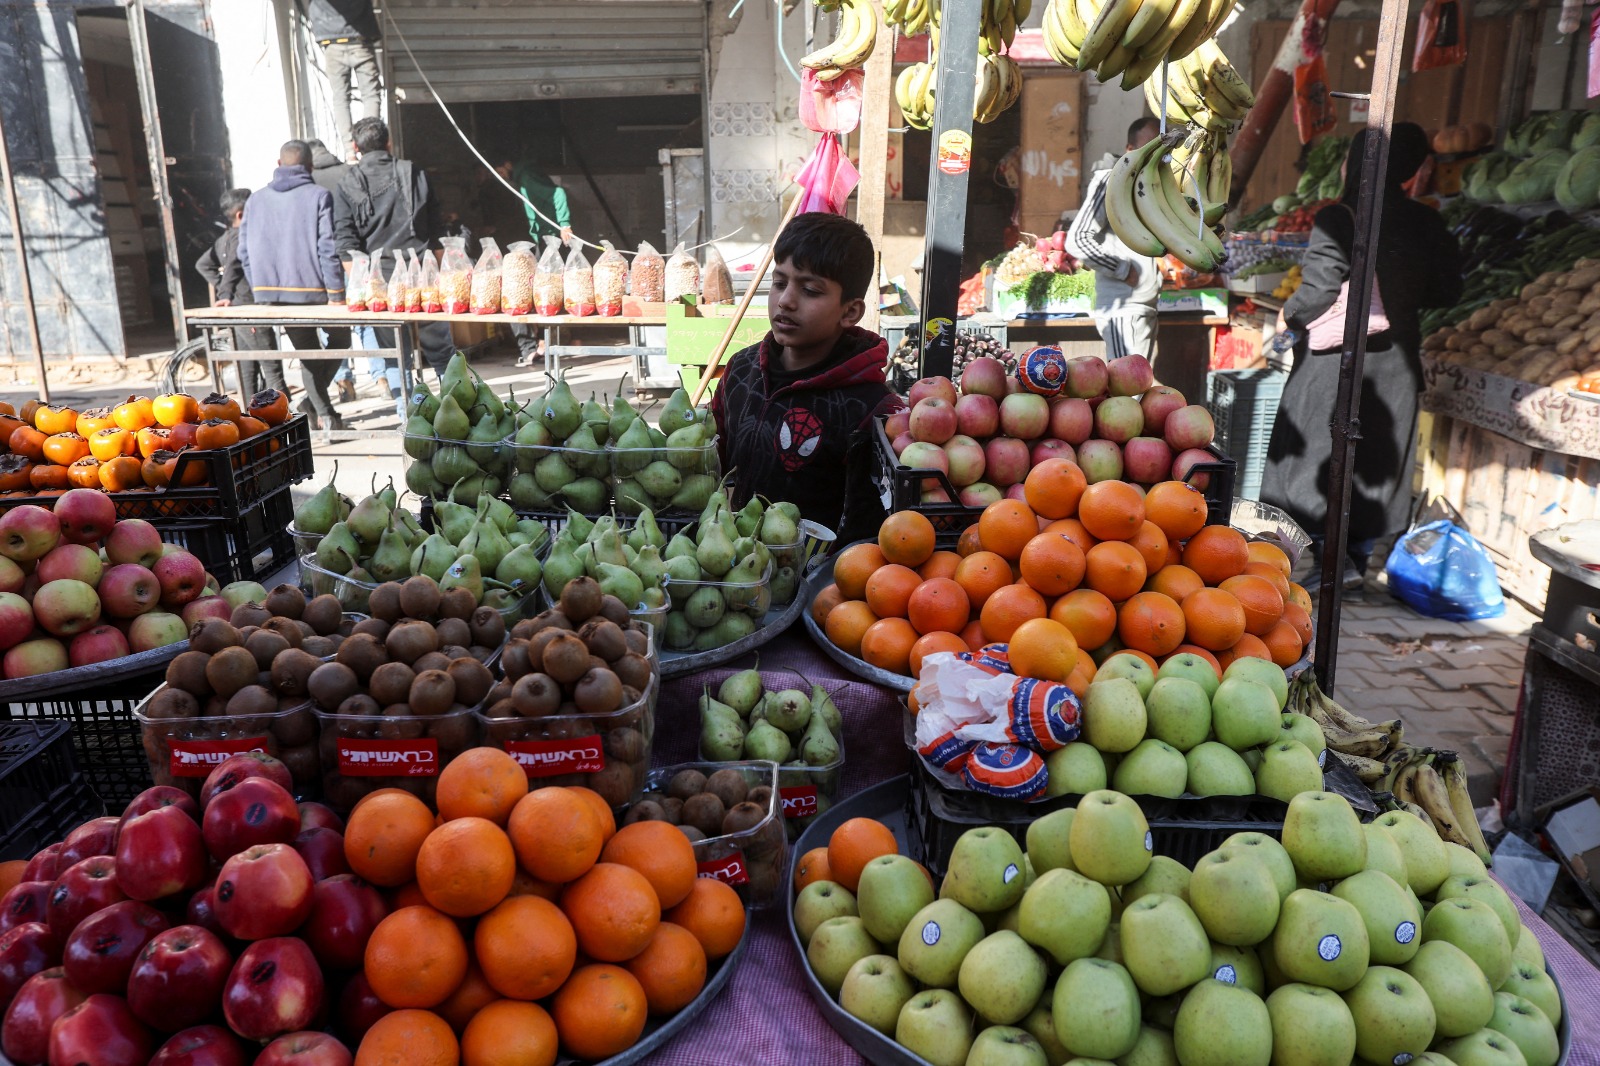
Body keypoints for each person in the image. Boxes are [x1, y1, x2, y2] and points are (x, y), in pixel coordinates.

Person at [1259, 123, 1463, 591]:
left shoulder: (1341, 217)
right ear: (1412, 171)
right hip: (1396, 362)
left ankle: (1311, 557)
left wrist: (1288, 317)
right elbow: (1449, 290)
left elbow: (1319, 289)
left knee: (1314, 452)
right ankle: (1353, 559)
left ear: (1355, 163)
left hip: (1338, 362)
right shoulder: (1428, 220)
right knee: (1375, 459)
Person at [710, 212, 898, 543]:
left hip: (820, 582)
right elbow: (713, 463)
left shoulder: (871, 409)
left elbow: (868, 528)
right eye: (779, 282)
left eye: (810, 290)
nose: (786, 300)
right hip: (732, 563)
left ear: (850, 311)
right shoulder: (741, 370)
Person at [333, 116, 450, 409]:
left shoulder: (348, 181)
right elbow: (436, 227)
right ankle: (459, 411)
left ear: (356, 147)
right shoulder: (414, 172)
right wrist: (441, 272)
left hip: (380, 280)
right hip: (423, 273)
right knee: (441, 349)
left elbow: (346, 243)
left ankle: (409, 419)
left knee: (394, 353)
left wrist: (361, 285)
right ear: (389, 142)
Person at [238, 140, 350, 430]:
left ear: (279, 164)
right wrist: (337, 293)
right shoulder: (318, 196)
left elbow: (244, 252)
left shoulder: (255, 199)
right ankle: (325, 415)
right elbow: (327, 248)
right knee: (339, 342)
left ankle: (315, 408)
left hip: (272, 295)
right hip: (315, 292)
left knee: (308, 352)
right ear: (310, 166)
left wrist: (259, 287)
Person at [1067, 117, 1163, 360]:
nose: (1156, 156)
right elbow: (1077, 240)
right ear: (1129, 150)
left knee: (1138, 392)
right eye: (1148, 148)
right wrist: (1123, 270)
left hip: (1142, 310)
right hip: (1124, 312)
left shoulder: (1152, 187)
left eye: (1161, 149)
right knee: (1128, 393)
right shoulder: (1110, 182)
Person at [194, 188, 290, 398]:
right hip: (249, 310)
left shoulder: (223, 239)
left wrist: (222, 288)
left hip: (236, 312)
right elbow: (233, 265)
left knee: (246, 371)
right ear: (240, 215)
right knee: (272, 367)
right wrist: (225, 293)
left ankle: (250, 420)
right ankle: (287, 418)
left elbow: (203, 264)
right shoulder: (241, 237)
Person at [496, 159, 573, 368]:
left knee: (547, 290)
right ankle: (542, 344)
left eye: (500, 170)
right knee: (544, 291)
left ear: (508, 164)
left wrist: (564, 223)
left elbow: (558, 194)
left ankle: (542, 345)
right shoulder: (522, 177)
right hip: (542, 237)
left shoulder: (527, 178)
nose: (500, 175)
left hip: (549, 239)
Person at [300, 0, 381, 160]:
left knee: (341, 98)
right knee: (370, 95)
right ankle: (372, 148)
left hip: (332, 43)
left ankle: (350, 151)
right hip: (360, 41)